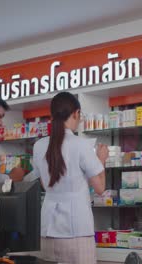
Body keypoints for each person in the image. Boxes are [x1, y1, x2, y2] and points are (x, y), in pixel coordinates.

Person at [32, 91, 109, 264]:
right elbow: (100, 188)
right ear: (75, 113)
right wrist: (101, 160)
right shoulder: (81, 145)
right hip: (76, 231)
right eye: (79, 115)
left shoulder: (39, 146)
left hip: (48, 229)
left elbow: (46, 184)